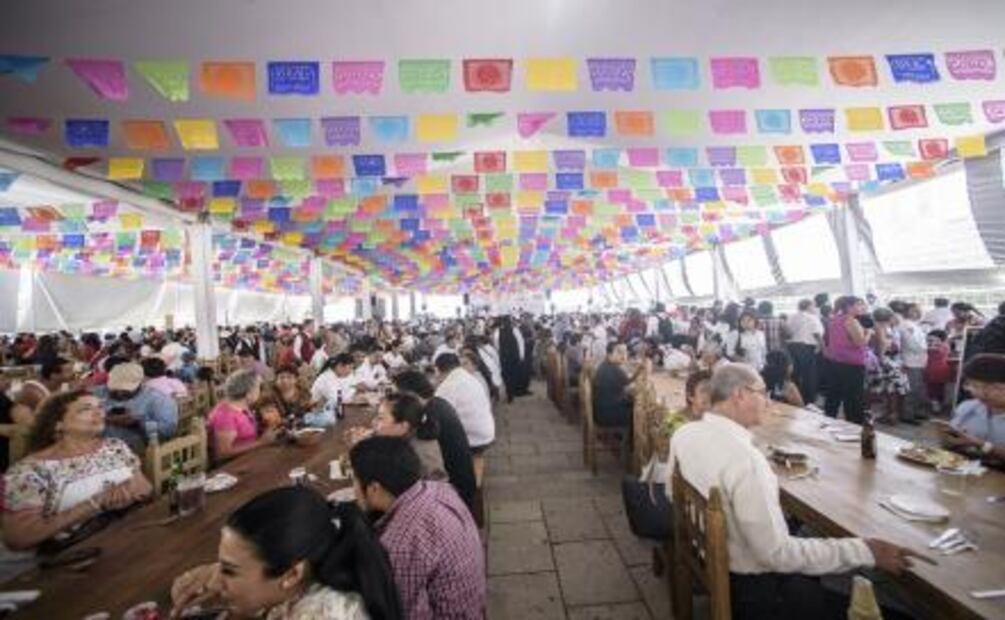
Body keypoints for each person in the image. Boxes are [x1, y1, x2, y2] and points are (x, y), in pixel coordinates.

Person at [668, 364, 924, 620]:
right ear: (740, 394)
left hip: (706, 560)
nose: (767, 401)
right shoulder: (746, 461)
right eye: (763, 392)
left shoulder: (685, 433)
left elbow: (671, 492)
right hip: (754, 593)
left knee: (804, 547)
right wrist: (868, 550)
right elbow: (776, 555)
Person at [171, 486, 403, 620]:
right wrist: (219, 571)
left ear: (292, 574)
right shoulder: (318, 572)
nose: (216, 581)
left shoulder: (320, 614)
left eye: (229, 570)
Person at [349, 436, 485, 619]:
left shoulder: (400, 543)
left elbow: (407, 614)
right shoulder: (437, 489)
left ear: (374, 489)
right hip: (474, 607)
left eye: (354, 481)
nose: (354, 489)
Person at [2, 391, 152, 552]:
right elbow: (18, 538)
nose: (99, 412)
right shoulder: (30, 472)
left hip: (124, 540)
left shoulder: (115, 447)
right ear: (58, 423)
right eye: (85, 409)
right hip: (66, 559)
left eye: (100, 407)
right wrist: (94, 504)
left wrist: (128, 493)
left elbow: (146, 488)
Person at [392, 370, 476, 509]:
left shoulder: (429, 415)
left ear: (411, 394)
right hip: (461, 476)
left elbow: (411, 447)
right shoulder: (437, 403)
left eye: (398, 395)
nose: (396, 401)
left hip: (455, 488)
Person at [938, 354, 1005, 465]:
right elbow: (949, 445)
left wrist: (981, 445)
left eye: (991, 387)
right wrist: (949, 441)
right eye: (974, 386)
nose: (981, 393)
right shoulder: (967, 408)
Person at [99, 362, 179, 454]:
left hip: (137, 452)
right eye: (115, 389)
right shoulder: (100, 392)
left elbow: (168, 431)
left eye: (126, 390)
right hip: (99, 447)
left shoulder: (160, 400)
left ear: (141, 383)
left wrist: (138, 423)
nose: (119, 393)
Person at [207, 370, 279, 461]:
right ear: (248, 395)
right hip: (233, 464)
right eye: (258, 388)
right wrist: (261, 442)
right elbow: (222, 453)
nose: (260, 391)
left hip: (251, 455)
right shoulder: (225, 416)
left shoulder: (241, 406)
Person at [372, 394, 447, 480]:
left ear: (403, 426)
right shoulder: (407, 435)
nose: (374, 422)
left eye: (380, 418)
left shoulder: (419, 456)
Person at [823, 296, 872, 424]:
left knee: (834, 394)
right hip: (852, 363)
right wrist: (868, 334)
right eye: (859, 304)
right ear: (849, 307)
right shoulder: (851, 321)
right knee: (853, 397)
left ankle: (829, 420)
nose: (862, 307)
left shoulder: (833, 320)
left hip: (836, 361)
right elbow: (859, 342)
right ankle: (854, 425)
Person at [434, 354, 495, 453]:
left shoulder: (447, 386)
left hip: (475, 440)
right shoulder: (468, 376)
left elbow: (436, 414)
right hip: (486, 431)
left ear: (438, 370)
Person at [785, 299, 824, 405]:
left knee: (795, 373)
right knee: (809, 374)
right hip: (806, 347)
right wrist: (822, 346)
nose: (814, 308)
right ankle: (809, 399)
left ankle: (796, 396)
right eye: (813, 306)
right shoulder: (812, 317)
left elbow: (788, 332)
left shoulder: (791, 316)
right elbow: (817, 333)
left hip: (792, 346)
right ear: (808, 306)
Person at [897, 303, 929, 423]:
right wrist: (924, 349)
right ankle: (907, 415)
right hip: (911, 361)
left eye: (918, 310)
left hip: (918, 361)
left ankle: (916, 412)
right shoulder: (905, 325)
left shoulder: (915, 325)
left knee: (918, 389)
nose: (917, 313)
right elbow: (911, 343)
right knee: (911, 389)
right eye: (913, 311)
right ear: (906, 312)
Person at [494, 316, 527, 401]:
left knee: (506, 375)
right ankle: (511, 392)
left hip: (504, 356)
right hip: (514, 356)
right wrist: (521, 356)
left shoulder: (498, 331)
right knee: (513, 374)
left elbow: (497, 345)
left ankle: (509, 392)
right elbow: (521, 343)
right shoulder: (515, 330)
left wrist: (499, 354)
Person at [923, 329, 952, 415]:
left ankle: (936, 407)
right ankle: (938, 406)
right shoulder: (946, 345)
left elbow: (929, 350)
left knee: (933, 389)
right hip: (942, 369)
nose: (929, 339)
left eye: (932, 337)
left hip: (934, 370)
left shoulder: (938, 346)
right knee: (939, 389)